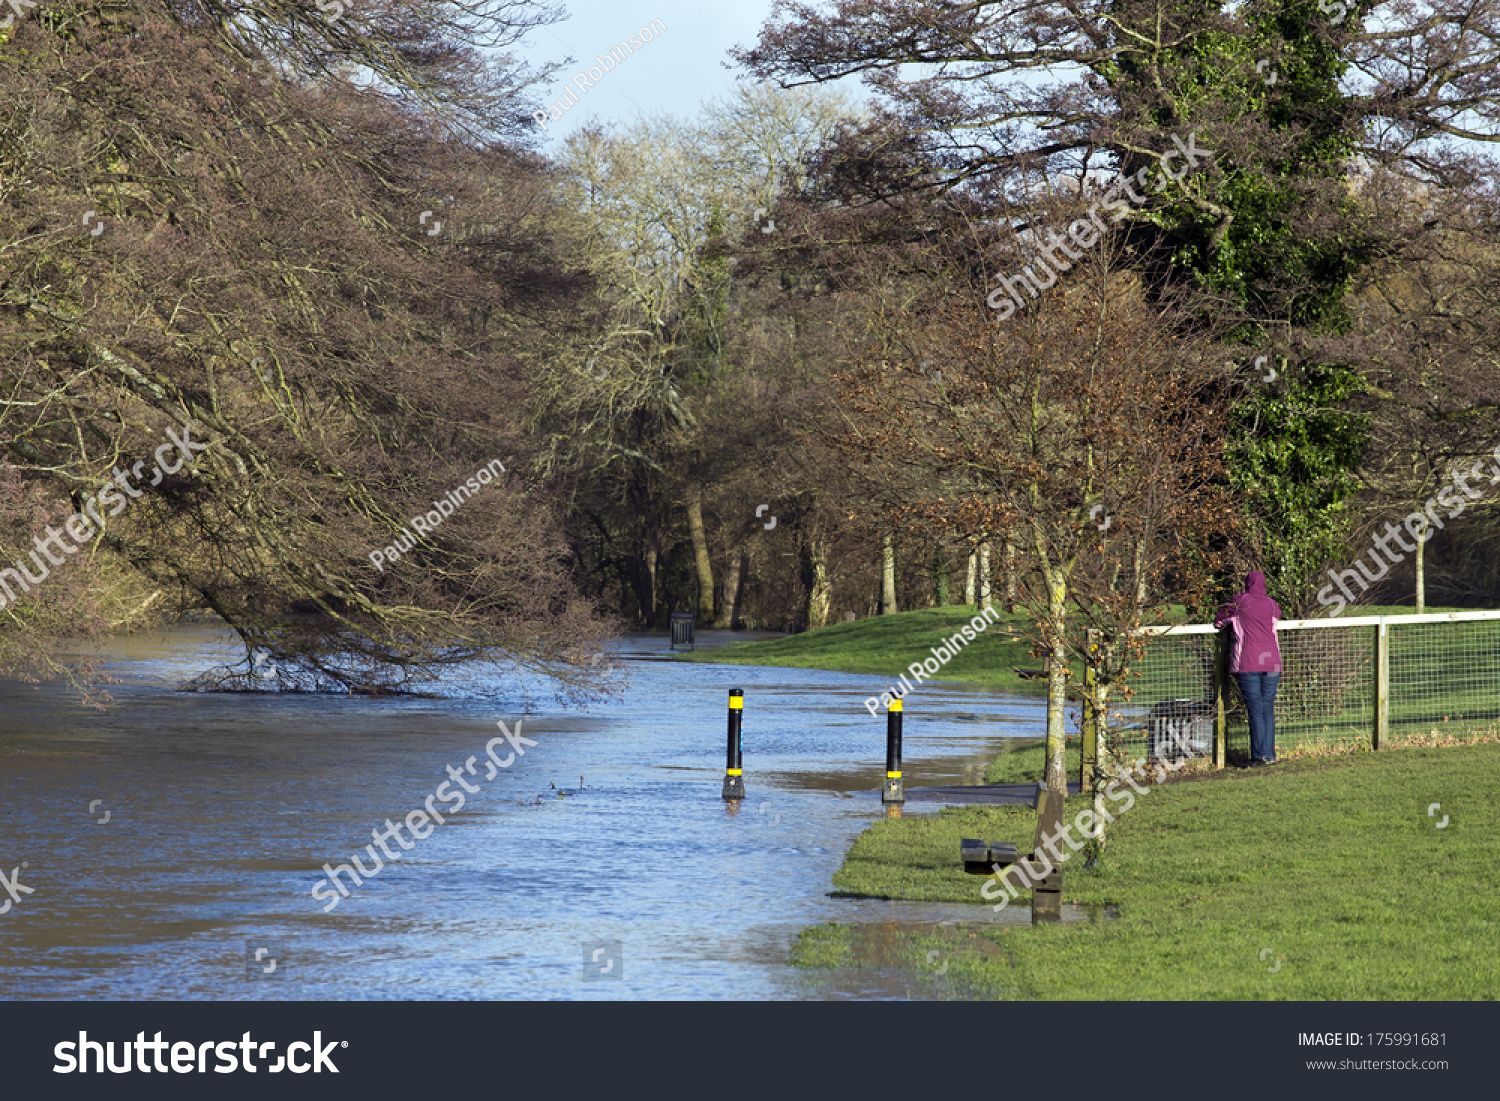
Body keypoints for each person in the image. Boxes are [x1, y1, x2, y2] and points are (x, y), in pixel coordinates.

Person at [1214, 571, 1282, 766]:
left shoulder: (1238, 602)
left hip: (1248, 661)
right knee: (1267, 708)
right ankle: (1269, 754)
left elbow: (1219, 621)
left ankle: (1259, 756)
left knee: (1255, 708)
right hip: (1272, 662)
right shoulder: (1271, 604)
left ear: (1247, 584)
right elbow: (1276, 619)